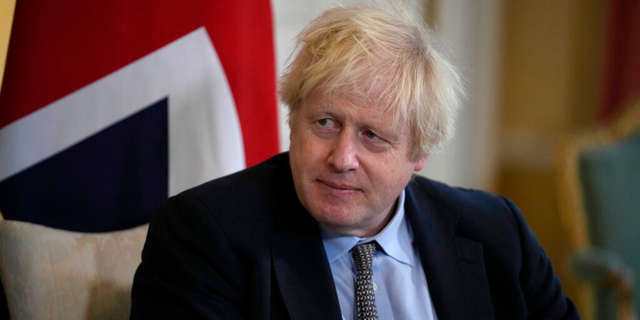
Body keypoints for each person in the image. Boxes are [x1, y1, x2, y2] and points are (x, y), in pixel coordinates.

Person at [130, 3, 581, 320]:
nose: (342, 159)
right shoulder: (204, 235)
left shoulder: (499, 233)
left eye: (373, 136)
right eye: (325, 123)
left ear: (420, 152)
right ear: (293, 119)